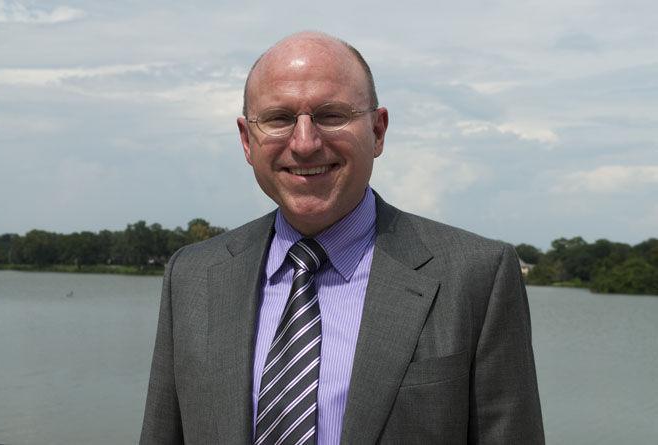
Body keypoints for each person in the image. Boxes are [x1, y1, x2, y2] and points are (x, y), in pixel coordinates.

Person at [140, 31, 544, 444]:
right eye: (279, 119)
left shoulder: (477, 277)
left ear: (378, 131)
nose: (304, 143)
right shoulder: (191, 277)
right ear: (247, 140)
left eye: (331, 115)